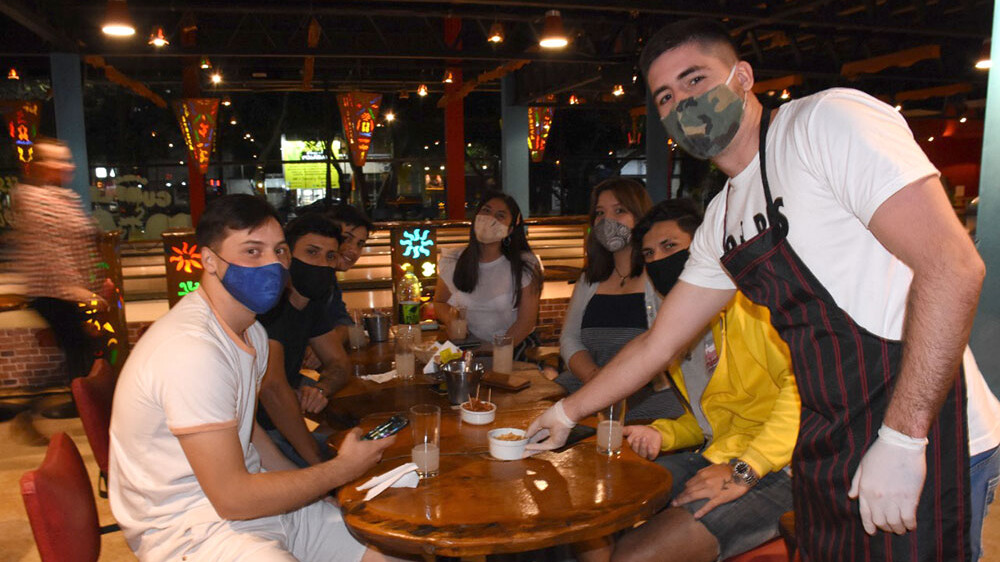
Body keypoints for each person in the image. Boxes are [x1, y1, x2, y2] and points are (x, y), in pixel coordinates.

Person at [527, 18, 1000, 562]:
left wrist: (902, 438)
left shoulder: (824, 123)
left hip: (927, 436)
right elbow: (657, 344)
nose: (684, 103)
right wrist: (566, 414)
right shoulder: (721, 220)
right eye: (666, 96)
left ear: (744, 77)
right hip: (829, 441)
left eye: (695, 79)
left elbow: (953, 267)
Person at [108, 194, 398, 562]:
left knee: (391, 549)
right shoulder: (192, 350)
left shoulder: (253, 332)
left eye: (279, 251)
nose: (272, 264)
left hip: (257, 509)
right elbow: (232, 499)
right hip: (189, 529)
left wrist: (314, 493)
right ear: (209, 260)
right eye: (252, 251)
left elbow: (250, 432)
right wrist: (339, 469)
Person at [607, 198, 799, 562]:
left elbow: (804, 392)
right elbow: (709, 419)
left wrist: (746, 469)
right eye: (649, 254)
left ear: (702, 248)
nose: (659, 261)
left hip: (785, 467)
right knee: (604, 501)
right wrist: (663, 434)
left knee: (633, 556)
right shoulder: (681, 327)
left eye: (670, 247)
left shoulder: (753, 304)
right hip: (719, 454)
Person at [555, 179, 685, 422]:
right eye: (600, 213)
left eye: (619, 210)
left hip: (651, 398)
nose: (608, 220)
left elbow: (668, 348)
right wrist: (596, 379)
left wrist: (615, 386)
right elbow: (569, 338)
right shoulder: (590, 279)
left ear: (640, 216)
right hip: (588, 390)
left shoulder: (660, 274)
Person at [256, 213, 353, 467]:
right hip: (255, 438)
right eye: (312, 252)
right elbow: (271, 388)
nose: (322, 264)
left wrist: (321, 389)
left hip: (284, 428)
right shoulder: (271, 307)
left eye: (330, 256)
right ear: (286, 256)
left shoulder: (312, 304)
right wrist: (318, 464)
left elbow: (340, 363)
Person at [9, 137, 107, 383]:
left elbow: (78, 245)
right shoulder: (35, 199)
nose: (68, 166)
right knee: (81, 350)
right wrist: (78, 292)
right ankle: (84, 399)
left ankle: (81, 396)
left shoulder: (64, 197)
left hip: (66, 292)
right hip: (53, 293)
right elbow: (53, 253)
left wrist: (92, 286)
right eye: (59, 160)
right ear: (43, 166)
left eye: (67, 160)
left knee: (80, 350)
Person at [434, 191, 542, 357]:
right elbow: (440, 302)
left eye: (500, 215)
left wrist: (495, 351)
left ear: (510, 229)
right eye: (486, 211)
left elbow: (526, 322)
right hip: (468, 348)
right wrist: (452, 320)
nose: (490, 218)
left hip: (513, 349)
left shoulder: (524, 265)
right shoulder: (454, 260)